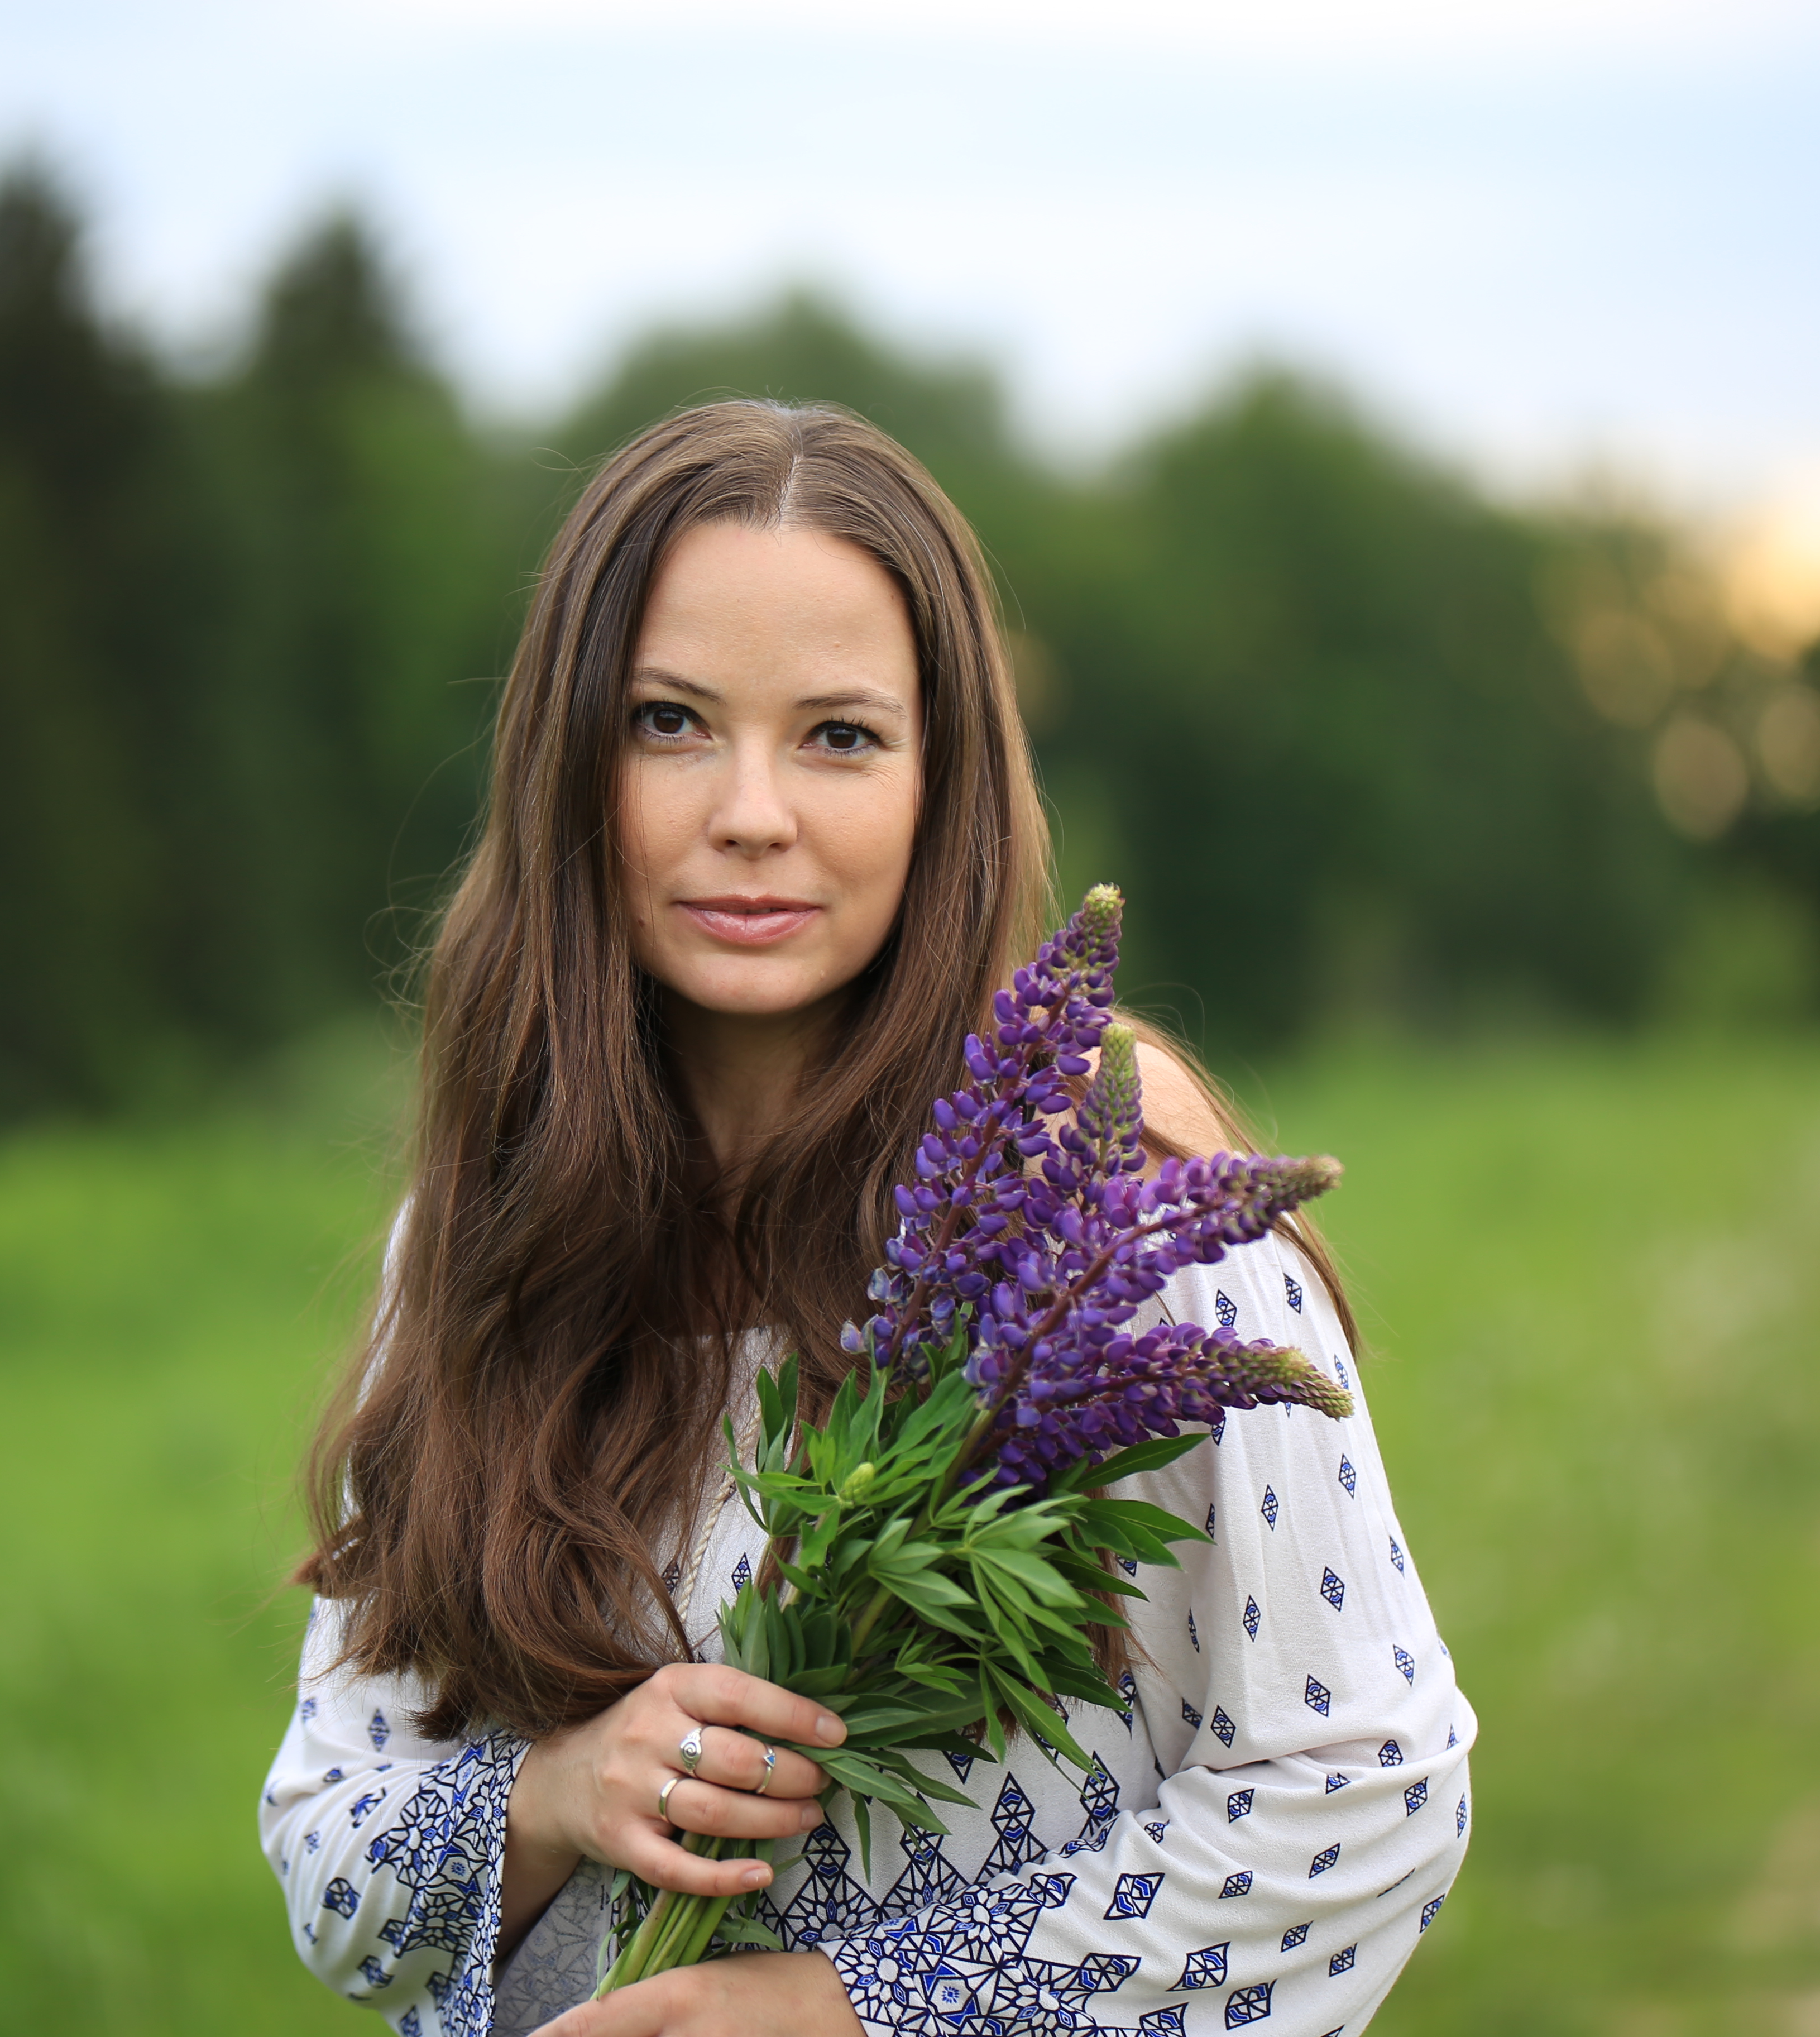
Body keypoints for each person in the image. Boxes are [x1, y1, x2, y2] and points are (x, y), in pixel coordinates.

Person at [260, 402, 1473, 2037]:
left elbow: (1371, 1790)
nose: (750, 810)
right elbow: (331, 1862)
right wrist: (556, 1795)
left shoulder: (1115, 1224)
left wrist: (851, 2010)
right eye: (671, 723)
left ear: (939, 782)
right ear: (567, 763)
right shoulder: (483, 1229)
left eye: (838, 736)